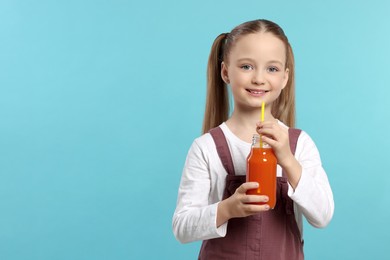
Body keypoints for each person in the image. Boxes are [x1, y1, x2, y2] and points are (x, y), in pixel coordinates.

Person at [172, 19, 334, 259]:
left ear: (285, 78)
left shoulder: (299, 145)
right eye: (247, 66)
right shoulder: (206, 148)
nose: (259, 78)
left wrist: (288, 161)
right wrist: (227, 209)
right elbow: (182, 228)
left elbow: (322, 216)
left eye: (272, 68)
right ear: (225, 71)